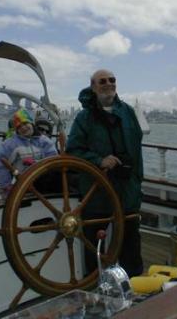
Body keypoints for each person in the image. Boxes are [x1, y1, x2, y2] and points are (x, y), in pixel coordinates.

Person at [66, 69, 144, 277]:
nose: (109, 84)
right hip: (96, 193)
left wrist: (137, 183)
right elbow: (72, 151)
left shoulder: (128, 112)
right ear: (93, 86)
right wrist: (99, 160)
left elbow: (137, 151)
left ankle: (135, 289)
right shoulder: (84, 118)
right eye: (102, 81)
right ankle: (93, 290)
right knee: (94, 247)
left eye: (112, 80)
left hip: (127, 192)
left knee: (131, 247)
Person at [0, 108, 58, 191]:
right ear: (16, 130)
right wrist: (6, 185)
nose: (23, 128)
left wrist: (35, 163)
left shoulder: (44, 141)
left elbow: (53, 159)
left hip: (43, 178)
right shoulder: (10, 144)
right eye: (19, 127)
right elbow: (1, 164)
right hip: (22, 182)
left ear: (31, 123)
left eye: (25, 123)